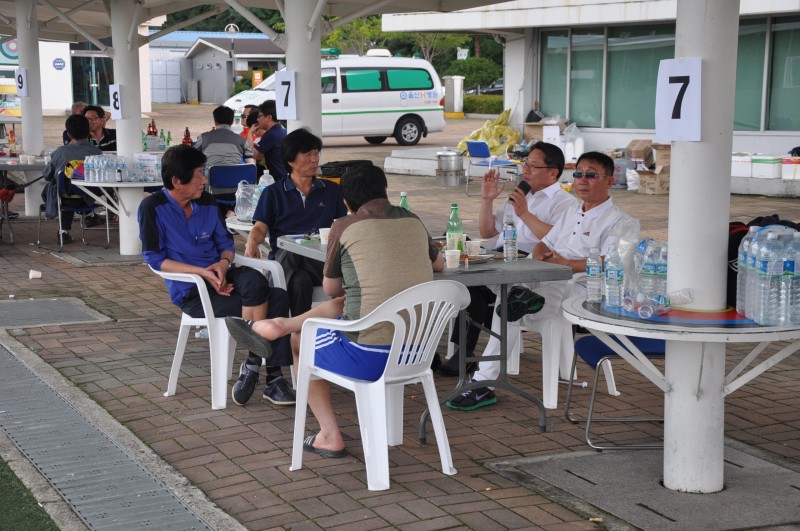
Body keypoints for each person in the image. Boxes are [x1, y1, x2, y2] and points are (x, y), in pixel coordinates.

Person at [225, 164, 444, 457]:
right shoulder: (414, 220)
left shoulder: (344, 225)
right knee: (347, 302)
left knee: (301, 341)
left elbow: (330, 287)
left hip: (369, 356)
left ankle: (329, 434)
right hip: (418, 353)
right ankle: (281, 323)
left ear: (346, 202)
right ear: (386, 190)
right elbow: (438, 264)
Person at [447, 151, 630, 411]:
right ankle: (484, 379)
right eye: (578, 174)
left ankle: (483, 382)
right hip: (549, 277)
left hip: (582, 286)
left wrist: (566, 264)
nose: (582, 180)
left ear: (610, 181)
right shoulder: (573, 211)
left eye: (591, 175)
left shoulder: (618, 220)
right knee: (507, 298)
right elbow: (546, 241)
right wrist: (540, 255)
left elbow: (610, 262)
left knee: (509, 304)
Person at [138, 144, 295, 407]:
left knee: (257, 280)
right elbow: (154, 258)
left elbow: (225, 243)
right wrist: (202, 273)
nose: (204, 180)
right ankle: (273, 378)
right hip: (193, 291)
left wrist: (222, 265)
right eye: (199, 174)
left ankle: (253, 365)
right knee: (277, 298)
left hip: (224, 277)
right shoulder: (152, 207)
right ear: (176, 181)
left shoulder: (207, 202)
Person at [439, 142, 577, 376]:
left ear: (553, 172)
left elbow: (557, 239)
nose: (526, 170)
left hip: (528, 265)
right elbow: (487, 232)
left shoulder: (565, 203)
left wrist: (524, 213)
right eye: (525, 164)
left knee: (475, 287)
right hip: (499, 256)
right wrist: (487, 200)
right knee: (462, 277)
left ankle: (465, 354)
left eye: (533, 166)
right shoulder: (521, 194)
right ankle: (464, 352)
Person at [245, 128, 348, 318]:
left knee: (291, 251)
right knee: (300, 281)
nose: (314, 159)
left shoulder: (331, 190)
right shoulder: (273, 193)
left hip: (322, 264)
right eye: (307, 154)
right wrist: (252, 241)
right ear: (290, 161)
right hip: (291, 266)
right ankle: (296, 332)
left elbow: (344, 224)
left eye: (316, 153)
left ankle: (266, 306)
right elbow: (260, 227)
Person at [42, 114, 104, 244]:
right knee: (71, 189)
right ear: (89, 131)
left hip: (65, 197)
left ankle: (64, 231)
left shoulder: (61, 151)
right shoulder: (97, 152)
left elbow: (47, 175)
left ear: (69, 134)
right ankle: (89, 215)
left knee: (55, 189)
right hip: (89, 196)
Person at [194, 105, 255, 217]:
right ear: (232, 121)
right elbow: (251, 166)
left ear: (215, 120)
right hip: (236, 192)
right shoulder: (241, 140)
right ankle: (231, 211)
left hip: (211, 190)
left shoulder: (203, 138)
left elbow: (191, 159)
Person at [247, 100, 288, 181]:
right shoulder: (283, 131)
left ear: (269, 117)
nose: (258, 120)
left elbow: (254, 154)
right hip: (286, 177)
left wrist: (250, 133)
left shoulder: (270, 134)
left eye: (259, 116)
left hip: (279, 179)